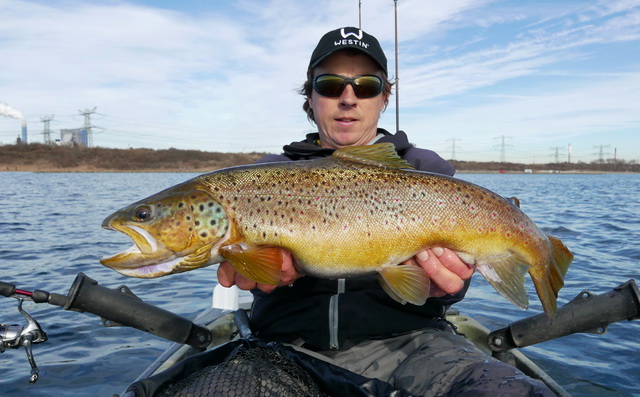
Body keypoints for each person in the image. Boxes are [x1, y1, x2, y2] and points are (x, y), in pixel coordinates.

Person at [218, 27, 555, 396]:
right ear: (310, 97)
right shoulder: (265, 176)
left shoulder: (426, 170)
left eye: (366, 86)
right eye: (331, 85)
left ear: (384, 98)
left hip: (414, 345)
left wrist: (444, 288)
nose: (349, 98)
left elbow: (454, 281)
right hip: (283, 349)